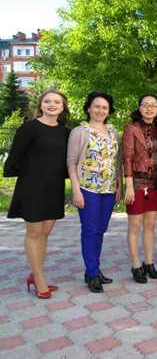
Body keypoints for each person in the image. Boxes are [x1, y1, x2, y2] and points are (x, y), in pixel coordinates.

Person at [4, 90, 71, 299]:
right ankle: (40, 280)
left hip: (54, 188)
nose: (52, 104)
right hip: (32, 187)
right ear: (40, 105)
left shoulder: (65, 132)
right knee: (34, 232)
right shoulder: (28, 128)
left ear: (62, 107)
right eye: (47, 101)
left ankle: (35, 274)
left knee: (45, 232)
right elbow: (15, 157)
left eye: (57, 102)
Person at [67, 91, 122, 293]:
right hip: (87, 189)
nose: (100, 110)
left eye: (104, 107)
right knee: (90, 230)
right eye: (97, 106)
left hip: (108, 189)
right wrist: (76, 191)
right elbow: (71, 163)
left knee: (100, 230)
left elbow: (117, 162)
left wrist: (120, 186)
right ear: (89, 108)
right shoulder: (79, 131)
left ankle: (94, 269)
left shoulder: (113, 131)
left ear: (109, 111)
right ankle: (92, 274)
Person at [122, 94, 157, 284]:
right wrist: (129, 186)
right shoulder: (131, 128)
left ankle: (149, 263)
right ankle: (135, 266)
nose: (149, 109)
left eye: (153, 105)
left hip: (155, 184)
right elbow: (127, 158)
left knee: (150, 226)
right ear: (139, 108)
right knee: (134, 227)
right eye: (145, 105)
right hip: (137, 183)